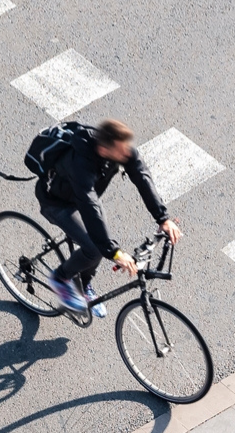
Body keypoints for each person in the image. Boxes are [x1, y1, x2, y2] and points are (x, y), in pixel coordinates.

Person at [36, 118, 182, 317]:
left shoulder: (120, 149)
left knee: (100, 240)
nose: (127, 154)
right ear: (104, 151)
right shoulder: (80, 164)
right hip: (57, 202)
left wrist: (163, 218)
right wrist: (114, 252)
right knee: (96, 247)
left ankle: (84, 285)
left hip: (84, 197)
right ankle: (60, 278)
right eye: (122, 151)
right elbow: (89, 205)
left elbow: (142, 176)